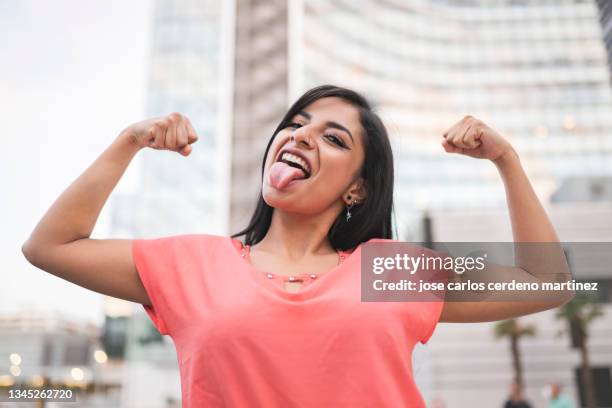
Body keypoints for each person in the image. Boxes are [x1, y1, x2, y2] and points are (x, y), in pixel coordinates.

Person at [22, 85, 575, 407]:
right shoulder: (191, 263)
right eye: (297, 123)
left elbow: (548, 282)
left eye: (334, 138)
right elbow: (50, 246)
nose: (301, 135)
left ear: (358, 186)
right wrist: (129, 142)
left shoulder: (389, 269)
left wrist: (508, 161)